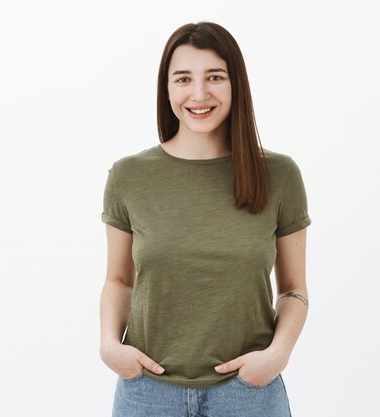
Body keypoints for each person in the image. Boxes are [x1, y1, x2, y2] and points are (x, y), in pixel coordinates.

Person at [99, 21, 311, 417]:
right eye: (183, 79)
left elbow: (294, 290)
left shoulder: (279, 176)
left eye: (215, 77)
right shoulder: (129, 176)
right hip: (147, 393)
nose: (199, 94)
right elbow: (119, 280)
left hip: (249, 393)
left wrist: (277, 356)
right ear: (167, 88)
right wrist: (110, 345)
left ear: (236, 85)